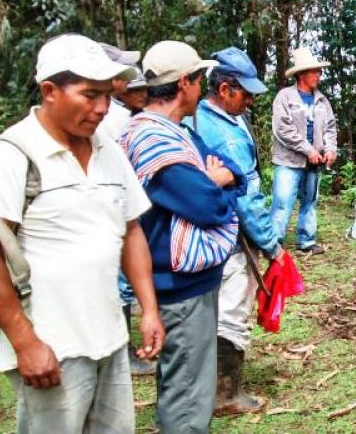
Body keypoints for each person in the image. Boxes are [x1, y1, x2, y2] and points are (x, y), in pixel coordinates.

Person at [0, 33, 164, 433]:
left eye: (107, 95)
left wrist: (148, 309)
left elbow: (131, 229)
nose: (102, 108)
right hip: (53, 345)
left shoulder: (108, 150)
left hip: (110, 338)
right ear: (49, 90)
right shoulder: (11, 155)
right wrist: (25, 342)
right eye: (89, 95)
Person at [119, 40, 243, 433]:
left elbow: (234, 172)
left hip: (191, 283)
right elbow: (210, 204)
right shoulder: (153, 139)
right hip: (180, 288)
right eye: (199, 79)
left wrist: (217, 179)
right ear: (185, 83)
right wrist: (213, 181)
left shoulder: (177, 132)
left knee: (187, 385)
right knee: (186, 396)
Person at [185, 46, 285, 414]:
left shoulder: (202, 117)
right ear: (224, 89)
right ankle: (225, 395)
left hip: (204, 238)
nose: (249, 102)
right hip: (229, 238)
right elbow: (248, 198)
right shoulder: (222, 132)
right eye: (244, 93)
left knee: (207, 312)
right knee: (231, 312)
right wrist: (272, 246)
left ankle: (204, 387)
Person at [98, 44, 157, 376]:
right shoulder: (114, 120)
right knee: (120, 282)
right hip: (115, 214)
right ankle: (123, 354)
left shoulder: (123, 116)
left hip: (126, 210)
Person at [270, 47, 338, 255]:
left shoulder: (322, 100)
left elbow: (330, 127)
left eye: (319, 71)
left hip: (313, 163)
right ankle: (273, 244)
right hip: (288, 162)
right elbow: (282, 129)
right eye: (313, 71)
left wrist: (330, 149)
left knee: (310, 202)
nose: (318, 75)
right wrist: (308, 149)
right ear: (301, 74)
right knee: (282, 203)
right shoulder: (285, 97)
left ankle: (307, 241)